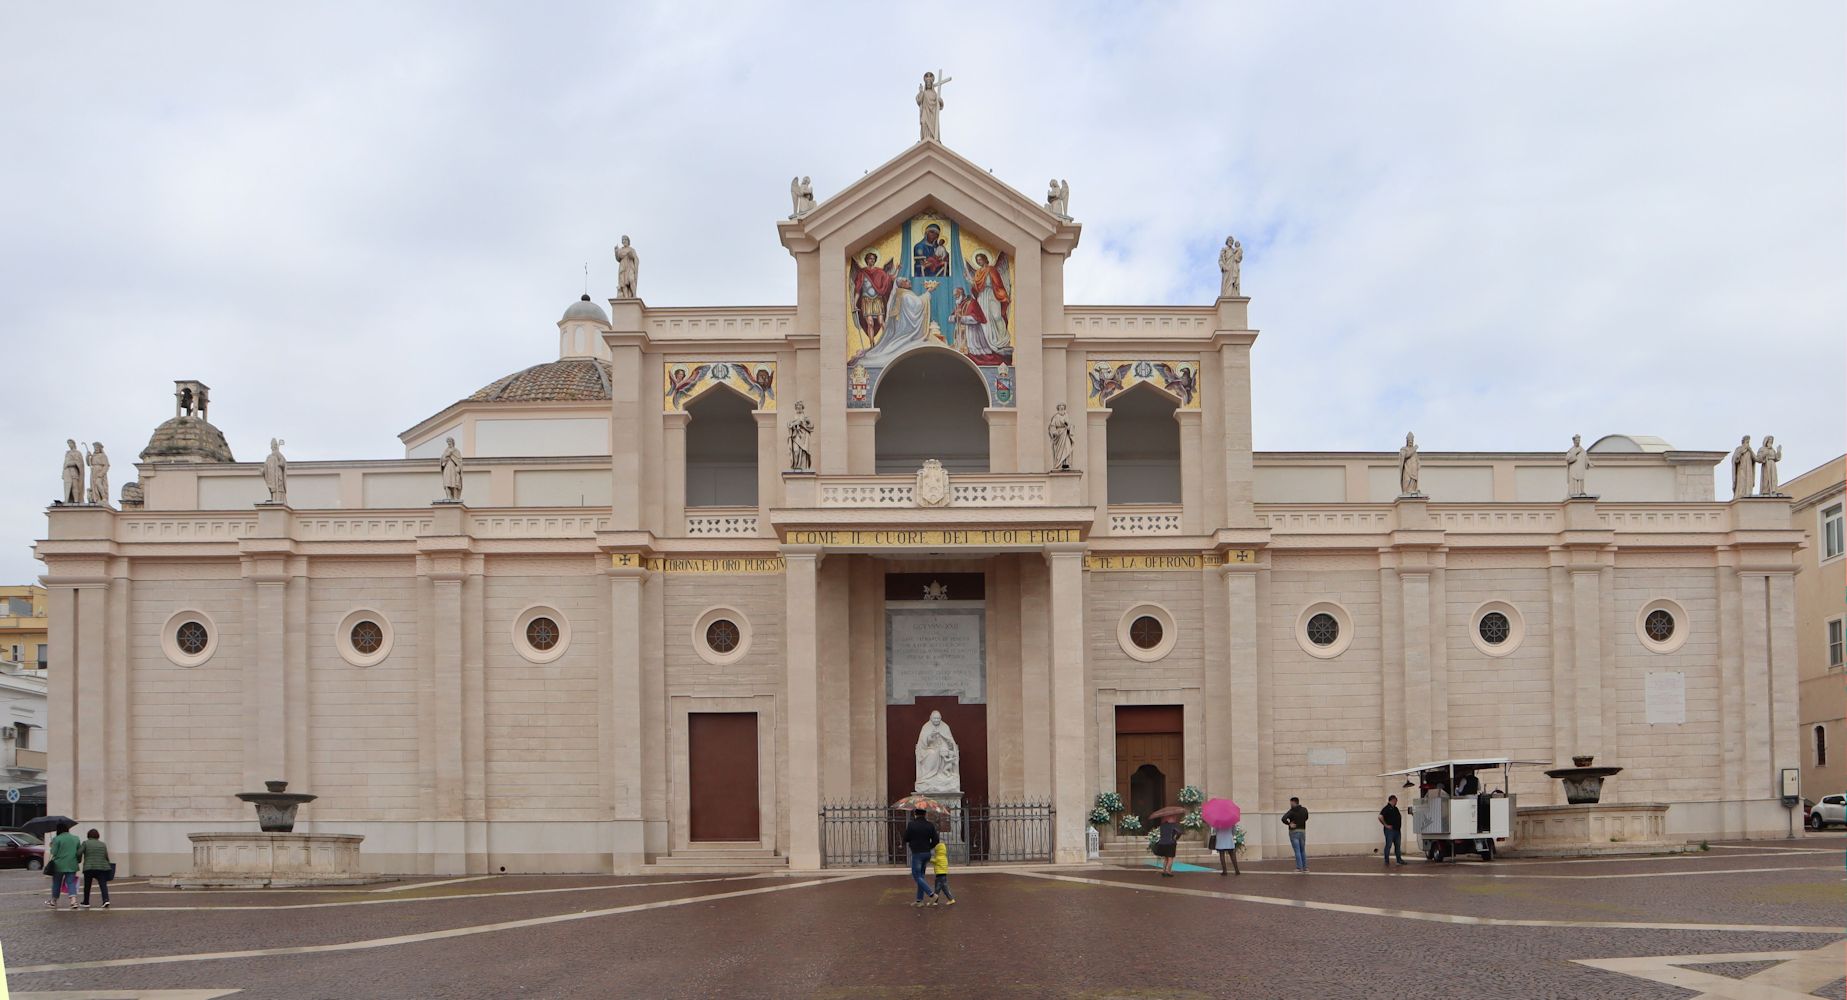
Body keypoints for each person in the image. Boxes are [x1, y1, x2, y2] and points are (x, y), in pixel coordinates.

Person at [903, 808, 941, 907]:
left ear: (915, 814)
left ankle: (931, 895)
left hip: (917, 853)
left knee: (916, 875)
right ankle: (919, 901)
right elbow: (936, 840)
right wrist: (929, 846)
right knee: (921, 876)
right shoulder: (930, 825)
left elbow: (905, 838)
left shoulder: (911, 825)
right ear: (925, 814)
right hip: (926, 853)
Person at [45, 821, 81, 909]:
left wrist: (51, 845)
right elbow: (79, 852)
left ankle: (54, 900)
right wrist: (78, 861)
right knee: (71, 882)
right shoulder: (76, 838)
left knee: (56, 882)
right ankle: (73, 901)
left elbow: (54, 852)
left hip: (58, 865)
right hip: (72, 864)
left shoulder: (57, 839)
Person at [79, 828, 113, 908]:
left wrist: (79, 859)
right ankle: (106, 900)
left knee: (87, 885)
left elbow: (79, 853)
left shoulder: (85, 843)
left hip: (89, 867)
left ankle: (86, 902)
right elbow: (106, 856)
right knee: (103, 884)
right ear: (98, 836)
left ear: (88, 835)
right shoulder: (102, 844)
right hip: (101, 867)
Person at [1281, 797, 1310, 873]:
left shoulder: (1292, 811)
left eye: (1291, 803)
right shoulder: (1304, 809)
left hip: (1294, 832)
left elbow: (1283, 818)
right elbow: (1306, 817)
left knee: (1297, 850)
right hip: (1303, 831)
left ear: (1294, 802)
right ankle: (1305, 868)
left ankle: (1299, 868)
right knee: (1302, 850)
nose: (1290, 804)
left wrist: (1289, 824)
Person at [1379, 795, 1406, 866]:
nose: (1397, 801)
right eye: (1396, 800)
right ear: (1392, 800)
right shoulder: (1386, 808)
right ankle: (1386, 861)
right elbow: (1380, 816)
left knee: (1398, 845)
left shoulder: (1396, 808)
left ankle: (1399, 860)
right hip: (1390, 830)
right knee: (1389, 845)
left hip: (1397, 830)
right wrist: (1386, 825)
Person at [930, 839, 956, 906]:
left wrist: (928, 857)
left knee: (937, 889)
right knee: (943, 889)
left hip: (940, 875)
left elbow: (932, 860)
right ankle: (950, 899)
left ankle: (935, 901)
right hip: (943, 875)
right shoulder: (944, 857)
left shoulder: (938, 857)